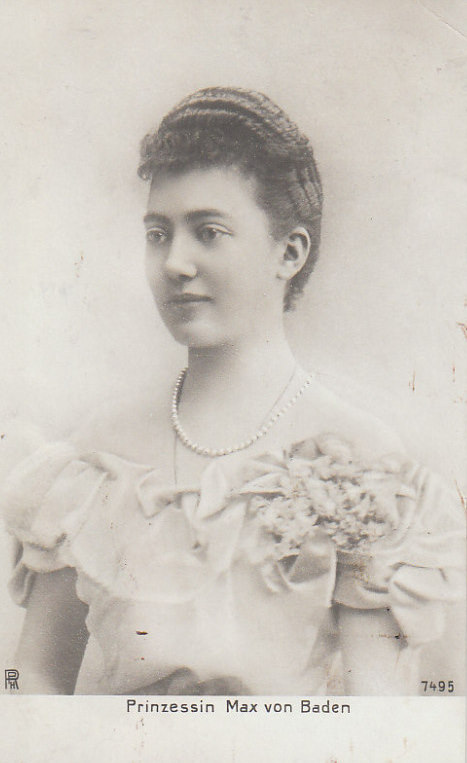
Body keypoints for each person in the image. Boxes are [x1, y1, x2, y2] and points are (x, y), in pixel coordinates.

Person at [1, 87, 464, 696]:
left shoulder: (361, 459)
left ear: (289, 252)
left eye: (209, 232)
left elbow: (373, 714)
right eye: (158, 233)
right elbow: (31, 678)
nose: (175, 263)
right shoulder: (98, 455)